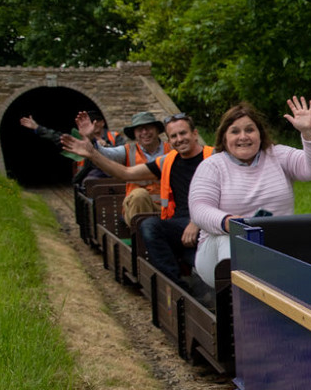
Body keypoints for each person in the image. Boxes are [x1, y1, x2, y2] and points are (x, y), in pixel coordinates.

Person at [62, 113, 213, 297]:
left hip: (209, 222)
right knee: (149, 225)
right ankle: (179, 290)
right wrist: (92, 153)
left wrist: (197, 221)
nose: (179, 139)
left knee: (201, 258)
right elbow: (125, 173)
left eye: (183, 134)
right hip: (178, 222)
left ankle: (203, 285)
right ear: (169, 138)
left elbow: (228, 197)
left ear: (195, 134)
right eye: (174, 136)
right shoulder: (168, 160)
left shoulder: (214, 157)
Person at [189, 97, 311, 285]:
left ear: (260, 134)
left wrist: (309, 132)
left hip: (273, 247)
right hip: (219, 252)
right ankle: (238, 299)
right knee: (232, 243)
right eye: (235, 131)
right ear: (224, 137)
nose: (243, 136)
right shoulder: (212, 166)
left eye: (249, 130)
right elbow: (199, 209)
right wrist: (230, 223)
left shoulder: (277, 155)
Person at [76, 111, 172, 224]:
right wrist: (91, 138)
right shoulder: (127, 151)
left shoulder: (172, 150)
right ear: (135, 133)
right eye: (140, 129)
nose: (145, 132)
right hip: (137, 211)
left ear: (157, 130)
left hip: (168, 209)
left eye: (149, 128)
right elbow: (103, 154)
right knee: (139, 195)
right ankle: (142, 235)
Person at [20, 110, 125, 183]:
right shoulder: (79, 138)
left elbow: (123, 153)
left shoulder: (114, 136)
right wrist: (37, 128)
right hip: (89, 172)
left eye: (96, 121)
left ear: (102, 123)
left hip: (114, 171)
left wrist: (106, 145)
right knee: (90, 182)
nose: (93, 125)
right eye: (90, 122)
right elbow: (57, 137)